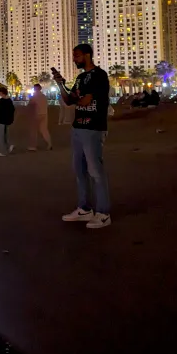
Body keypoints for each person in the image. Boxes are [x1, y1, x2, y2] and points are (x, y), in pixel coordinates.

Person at [53, 43, 112, 229]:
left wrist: (76, 97)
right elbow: (69, 100)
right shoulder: (80, 78)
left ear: (87, 55)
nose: (74, 59)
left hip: (93, 127)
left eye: (77, 55)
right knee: (79, 170)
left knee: (96, 171)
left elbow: (86, 101)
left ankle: (103, 213)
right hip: (78, 127)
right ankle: (85, 209)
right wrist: (60, 84)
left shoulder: (99, 76)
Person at [27, 84, 52, 151]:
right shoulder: (44, 96)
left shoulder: (34, 96)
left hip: (36, 114)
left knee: (34, 130)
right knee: (44, 130)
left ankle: (33, 146)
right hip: (44, 114)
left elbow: (30, 105)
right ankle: (49, 144)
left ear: (35, 89)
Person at [0, 87, 15, 157]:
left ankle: (3, 152)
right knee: (5, 135)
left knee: (1, 136)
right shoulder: (9, 101)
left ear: (2, 93)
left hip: (1, 121)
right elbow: (12, 110)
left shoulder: (1, 101)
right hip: (7, 121)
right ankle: (9, 145)